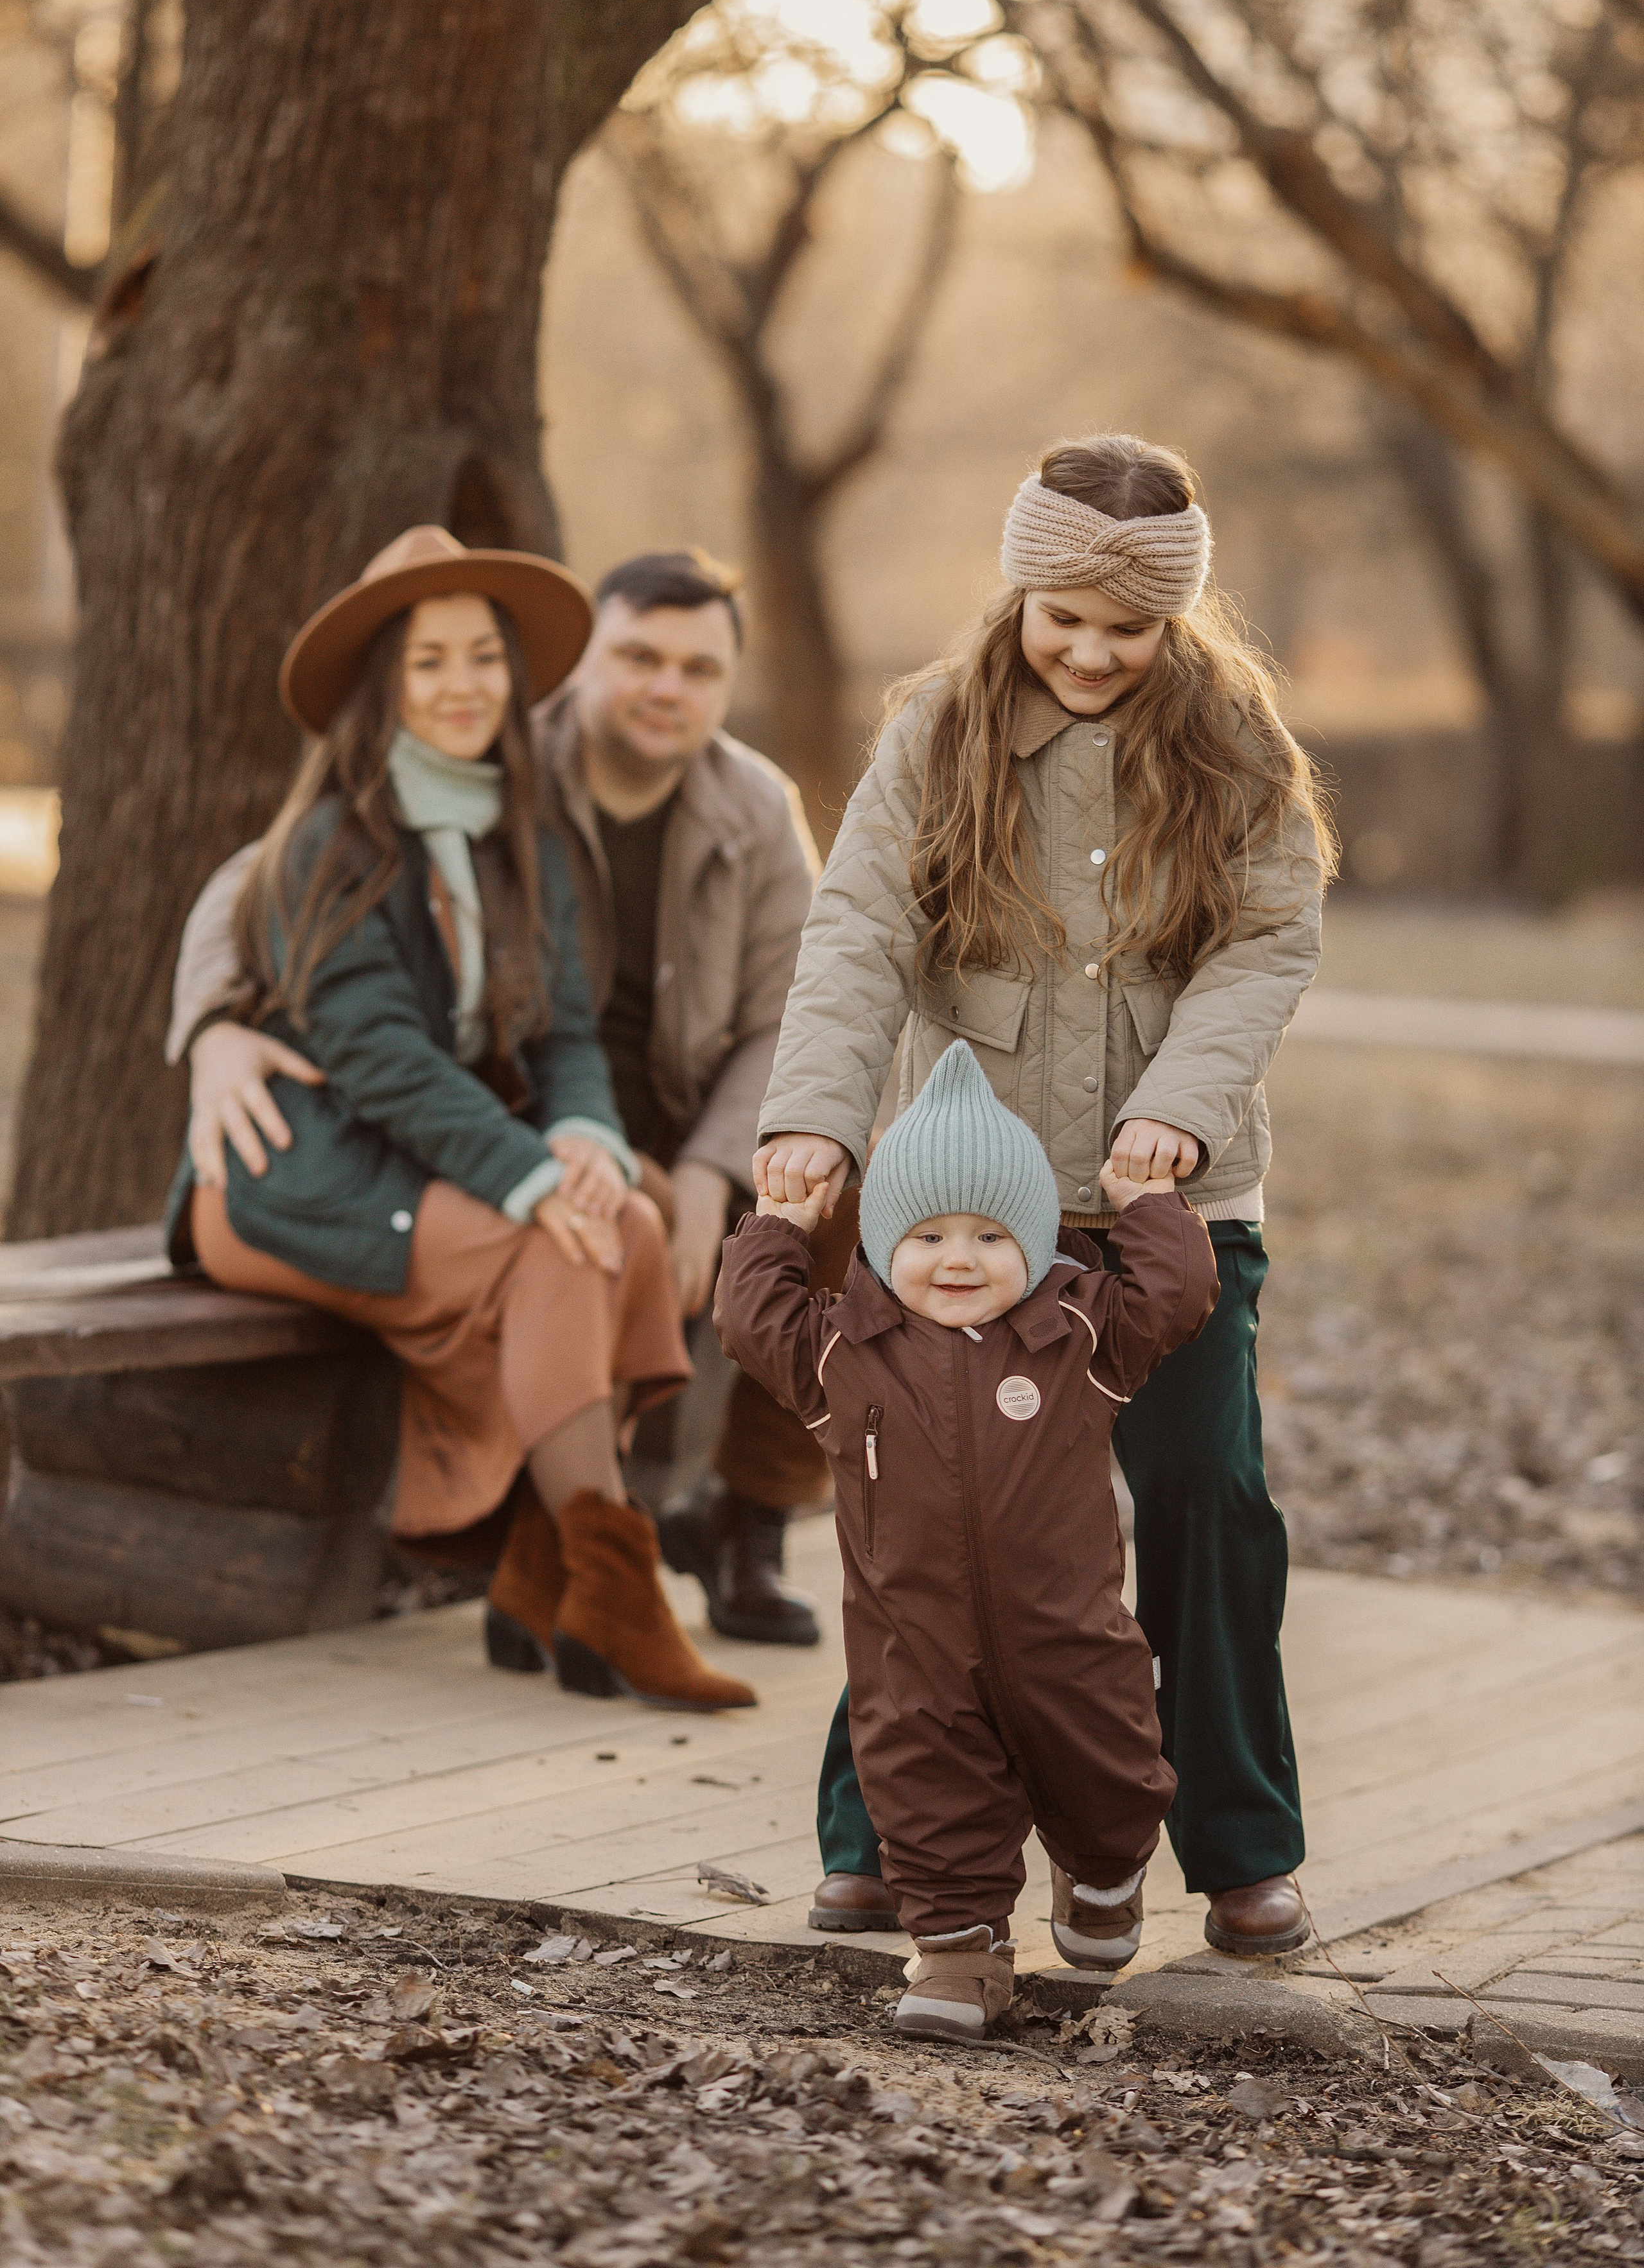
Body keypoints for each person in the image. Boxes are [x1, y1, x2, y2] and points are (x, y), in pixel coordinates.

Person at [755, 432, 1334, 1957]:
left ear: (1174, 621)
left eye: (1126, 628)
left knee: (1205, 1497)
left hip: (1166, 1206)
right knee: (925, 1514)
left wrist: (1176, 1112)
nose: (1086, 651)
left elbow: (1266, 940)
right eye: (1061, 616)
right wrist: (814, 1120)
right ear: (1018, 590)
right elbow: (859, 927)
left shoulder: (1233, 744)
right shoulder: (936, 730)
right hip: (969, 1209)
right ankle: (879, 1835)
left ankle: (1239, 1846)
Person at [167, 544, 837, 1656]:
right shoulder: (505, 747)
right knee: (599, 1234)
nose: (665, 688)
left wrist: (711, 1173)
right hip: (506, 1113)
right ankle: (577, 1562)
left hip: (652, 1112)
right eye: (639, 657)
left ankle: (746, 1520)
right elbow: (266, 872)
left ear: (728, 684)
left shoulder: (751, 805)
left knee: (837, 1180)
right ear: (580, 669)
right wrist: (212, 1030)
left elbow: (793, 1014)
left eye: (698, 670)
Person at [719, 1042, 1219, 2043]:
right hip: (916, 1651)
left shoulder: (1079, 1333)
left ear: (1032, 1243)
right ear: (880, 1244)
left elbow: (1176, 1296)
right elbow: (749, 1318)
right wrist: (779, 1224)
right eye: (929, 1235)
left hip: (1069, 1640)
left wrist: (1148, 1205)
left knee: (1111, 1767)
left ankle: (1102, 1873)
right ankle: (958, 1953)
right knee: (926, 1789)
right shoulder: (841, 1349)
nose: (958, 1259)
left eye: (992, 1235)